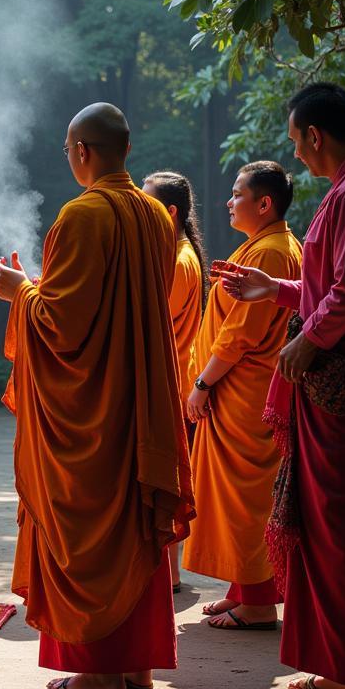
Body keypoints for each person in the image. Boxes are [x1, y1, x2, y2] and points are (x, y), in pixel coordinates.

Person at [0, 102, 194, 689]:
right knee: (132, 523)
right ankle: (136, 667)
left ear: (82, 150)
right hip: (139, 401)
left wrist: (20, 290)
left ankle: (100, 672)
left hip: (90, 408)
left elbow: (63, 325)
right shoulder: (156, 216)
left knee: (87, 527)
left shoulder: (83, 214)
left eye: (67, 150)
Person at [213, 83, 345, 689]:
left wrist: (307, 339)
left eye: (295, 138)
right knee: (325, 527)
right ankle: (341, 666)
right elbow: (327, 283)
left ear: (313, 135)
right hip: (335, 380)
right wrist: (275, 289)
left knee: (344, 530)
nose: (296, 151)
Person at [181, 162, 302, 631]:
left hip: (243, 391)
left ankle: (257, 603)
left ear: (264, 204)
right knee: (237, 497)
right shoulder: (267, 245)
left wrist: (202, 384)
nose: (228, 202)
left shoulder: (272, 252)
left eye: (237, 194)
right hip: (241, 389)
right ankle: (243, 590)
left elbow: (240, 336)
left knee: (245, 499)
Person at [142, 171, 208, 594]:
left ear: (169, 212)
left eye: (146, 206)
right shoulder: (174, 253)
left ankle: (169, 576)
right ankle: (170, 574)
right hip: (171, 380)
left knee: (161, 481)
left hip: (171, 383)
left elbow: (149, 319)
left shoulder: (179, 260)